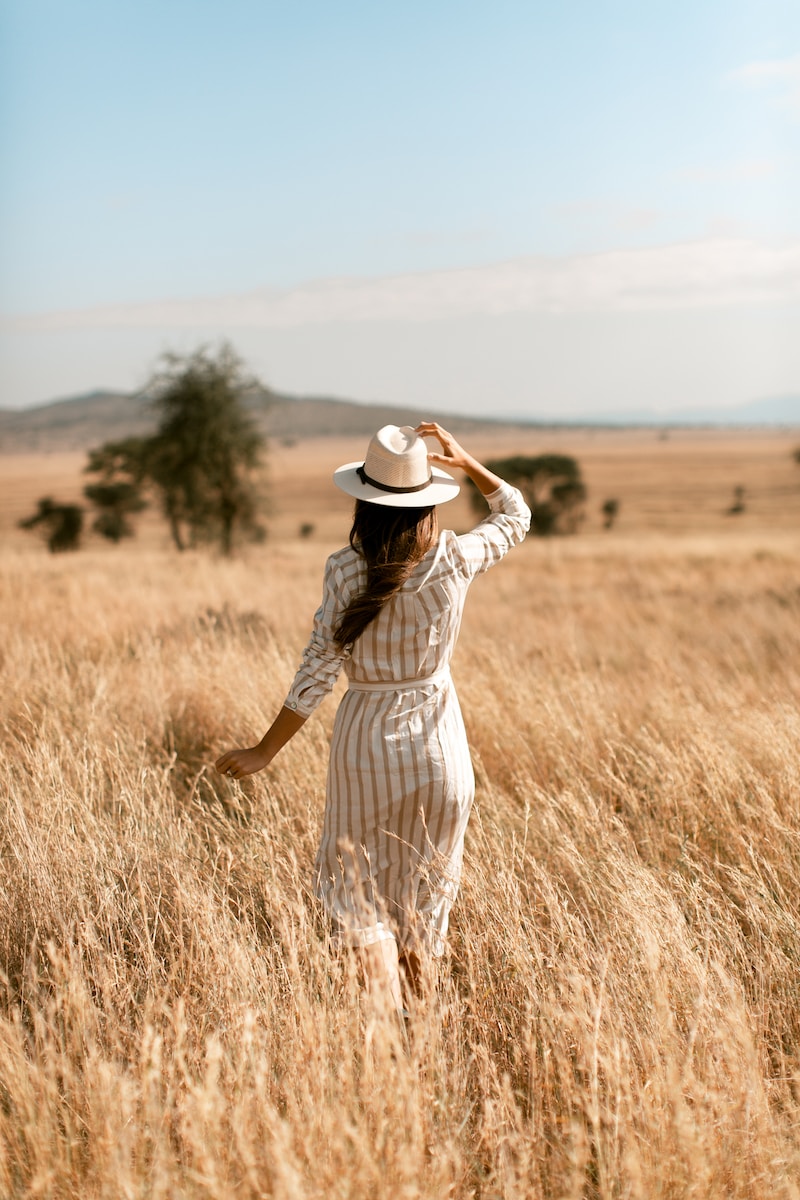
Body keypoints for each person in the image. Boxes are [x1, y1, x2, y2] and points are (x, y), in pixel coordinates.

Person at [215, 422, 531, 1015]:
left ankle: (381, 1054)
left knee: (355, 895)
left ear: (365, 503)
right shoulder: (456, 558)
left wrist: (266, 750)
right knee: (422, 902)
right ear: (426, 502)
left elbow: (318, 668)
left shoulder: (344, 569)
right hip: (443, 748)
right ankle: (423, 1051)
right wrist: (467, 462)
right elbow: (515, 516)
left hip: (368, 741)